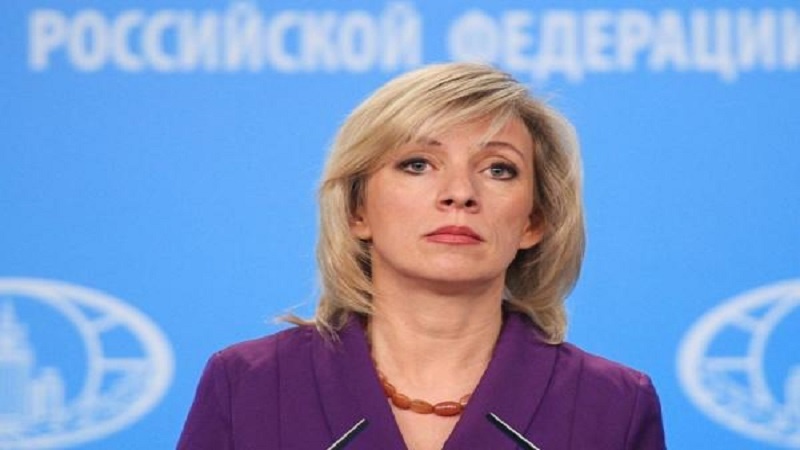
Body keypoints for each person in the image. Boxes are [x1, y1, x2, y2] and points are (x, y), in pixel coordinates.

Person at [177, 63, 666, 449]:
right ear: (357, 210)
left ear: (533, 222)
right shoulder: (248, 386)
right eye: (417, 164)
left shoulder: (614, 405)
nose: (460, 193)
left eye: (498, 169)